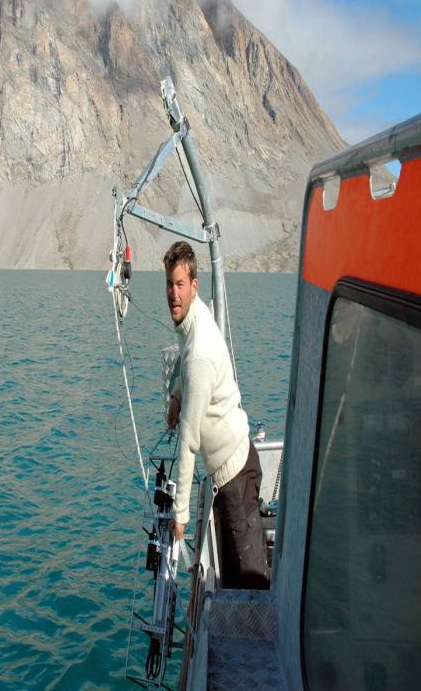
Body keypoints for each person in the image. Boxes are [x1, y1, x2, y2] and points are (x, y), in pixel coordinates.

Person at [163, 240, 270, 590]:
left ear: (194, 286)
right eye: (169, 283)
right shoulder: (197, 321)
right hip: (232, 472)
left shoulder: (199, 355)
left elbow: (188, 443)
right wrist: (178, 396)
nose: (173, 294)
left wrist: (180, 515)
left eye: (180, 285)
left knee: (250, 582)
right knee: (233, 576)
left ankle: (262, 638)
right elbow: (186, 367)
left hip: (235, 478)